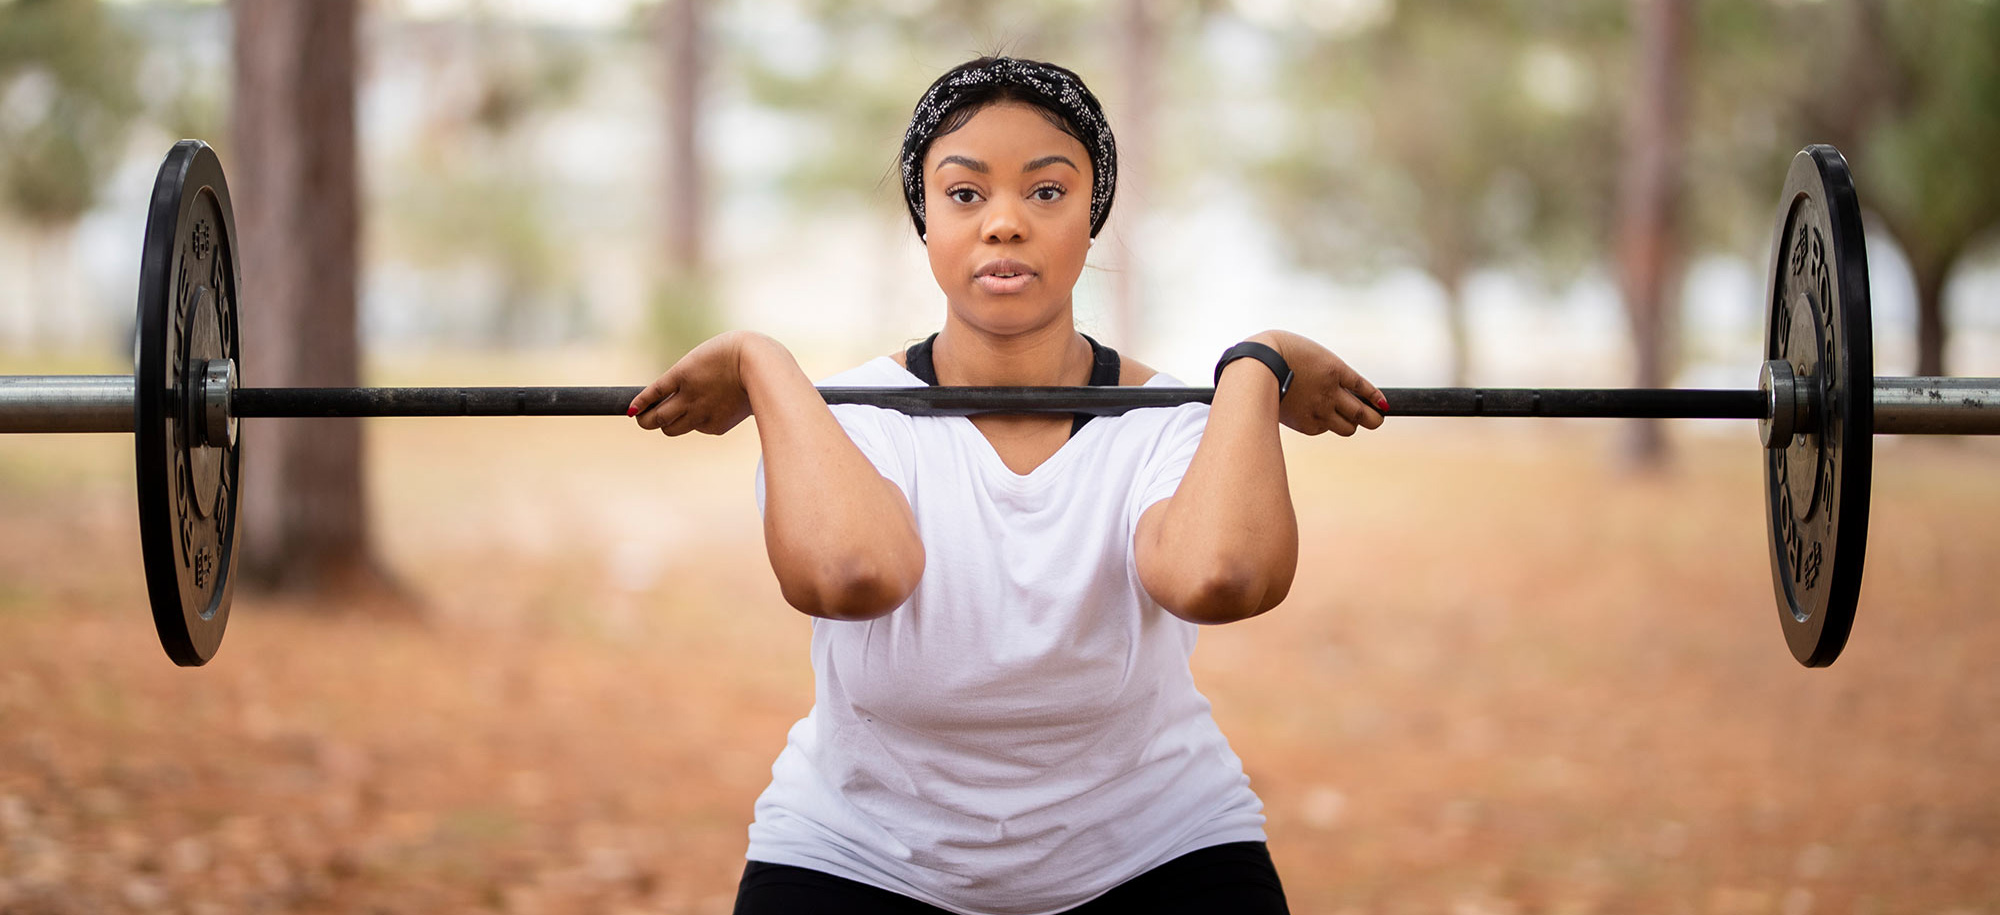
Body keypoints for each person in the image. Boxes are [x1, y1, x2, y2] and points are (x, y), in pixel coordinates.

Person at [629, 56, 1386, 915]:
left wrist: (1257, 363)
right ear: (924, 221)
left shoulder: (1170, 419)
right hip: (863, 854)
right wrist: (759, 358)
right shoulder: (844, 419)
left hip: (1155, 850)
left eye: (1048, 191)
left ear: (1091, 219)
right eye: (964, 194)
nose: (1004, 224)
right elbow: (849, 573)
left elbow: (1224, 577)